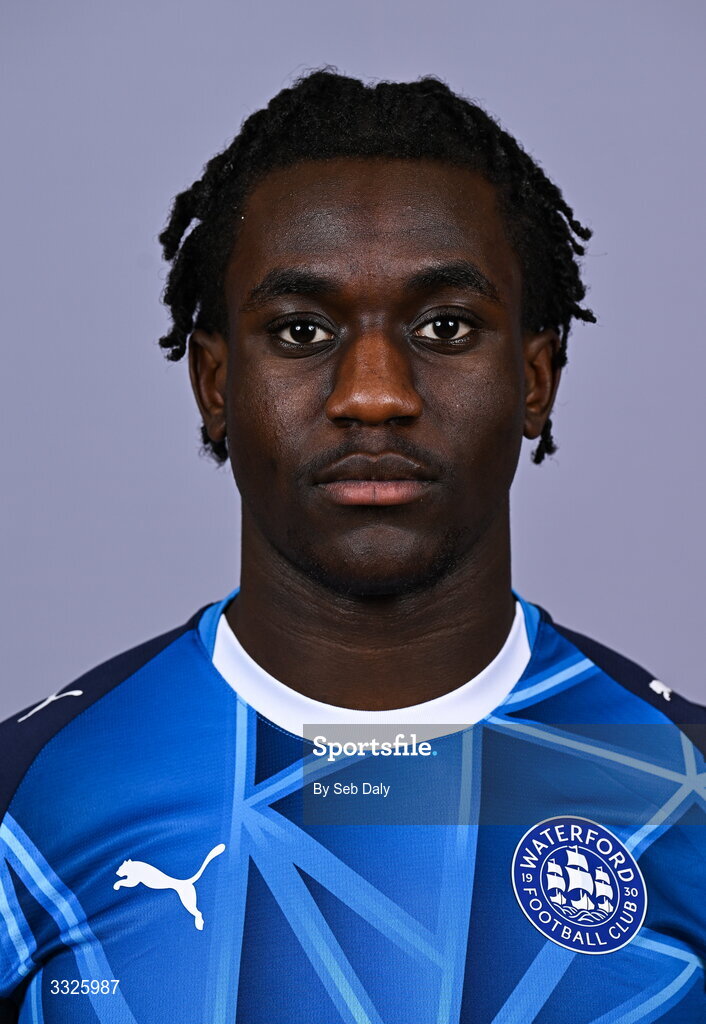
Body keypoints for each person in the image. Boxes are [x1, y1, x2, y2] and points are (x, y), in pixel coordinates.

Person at [1, 68, 704, 1023]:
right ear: (215, 385)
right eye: (301, 330)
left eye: (444, 327)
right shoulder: (34, 798)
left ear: (536, 379)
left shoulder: (679, 783)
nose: (374, 393)